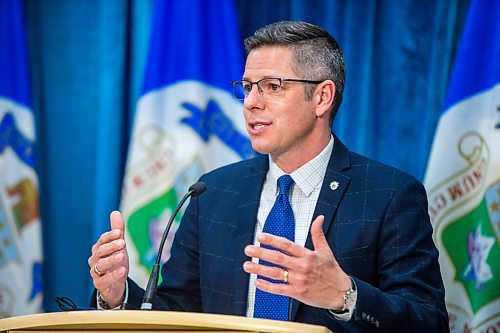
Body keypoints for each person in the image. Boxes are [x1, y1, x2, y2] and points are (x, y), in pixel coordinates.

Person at [89, 21, 449, 332]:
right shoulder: (211, 192)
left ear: (322, 98)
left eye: (272, 87)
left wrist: (344, 295)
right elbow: (178, 315)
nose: (251, 103)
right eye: (247, 87)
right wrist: (118, 294)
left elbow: (428, 322)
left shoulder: (390, 194)